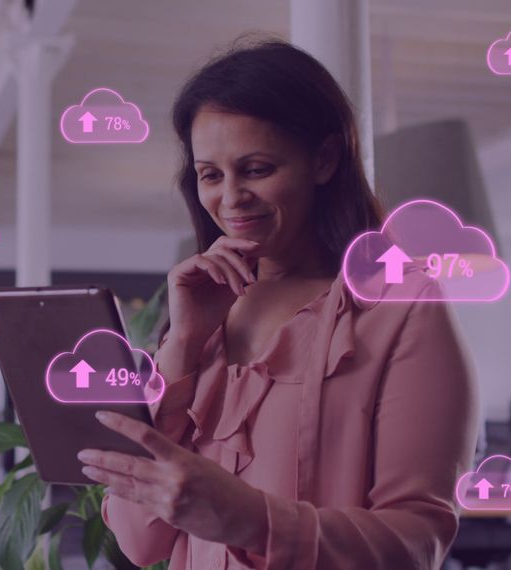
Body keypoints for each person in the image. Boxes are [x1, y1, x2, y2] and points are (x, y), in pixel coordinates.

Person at [78, 39, 477, 569]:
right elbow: (139, 541)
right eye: (211, 175)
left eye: (258, 169)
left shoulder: (401, 308)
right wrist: (183, 345)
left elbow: (417, 543)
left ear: (325, 159)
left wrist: (250, 519)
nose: (231, 197)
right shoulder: (201, 320)